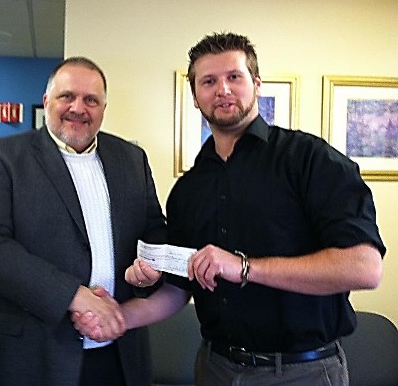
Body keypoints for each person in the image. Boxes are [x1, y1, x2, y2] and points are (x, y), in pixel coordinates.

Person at [75, 32, 386, 386]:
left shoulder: (310, 159)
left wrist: (244, 267)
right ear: (195, 97)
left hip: (302, 372)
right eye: (208, 81)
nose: (222, 89)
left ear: (256, 84)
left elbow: (364, 268)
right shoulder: (188, 190)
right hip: (215, 368)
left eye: (234, 77)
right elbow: (179, 291)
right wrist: (116, 317)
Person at [0, 56, 166, 386]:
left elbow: (153, 229)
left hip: (118, 352)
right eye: (67, 96)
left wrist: (151, 265)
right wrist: (74, 295)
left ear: (103, 108)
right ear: (47, 101)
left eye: (91, 100)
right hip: (31, 355)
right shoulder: (1, 157)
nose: (78, 108)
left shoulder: (131, 159)